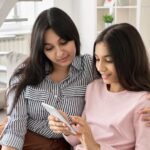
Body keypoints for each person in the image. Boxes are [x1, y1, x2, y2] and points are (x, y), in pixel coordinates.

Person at [0, 7, 95, 150]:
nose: (60, 53)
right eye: (49, 48)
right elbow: (15, 130)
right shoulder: (23, 75)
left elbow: (126, 77)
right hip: (27, 140)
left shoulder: (89, 67)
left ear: (74, 37)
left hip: (68, 144)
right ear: (41, 50)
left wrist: (142, 101)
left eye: (63, 42)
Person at [49, 23, 150, 149]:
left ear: (128, 59)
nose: (100, 67)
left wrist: (95, 147)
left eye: (108, 60)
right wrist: (66, 126)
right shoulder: (94, 88)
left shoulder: (143, 103)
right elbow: (77, 140)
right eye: (97, 59)